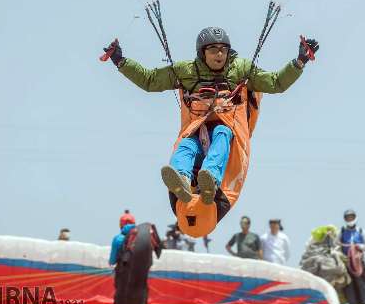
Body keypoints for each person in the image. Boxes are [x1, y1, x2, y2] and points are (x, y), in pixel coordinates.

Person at [103, 28, 319, 207]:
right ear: (202, 52)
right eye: (214, 50)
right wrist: (120, 60)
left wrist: (300, 61)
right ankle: (182, 179)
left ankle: (210, 180)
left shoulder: (241, 69)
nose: (219, 55)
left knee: (222, 133)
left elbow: (275, 83)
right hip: (196, 127)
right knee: (187, 144)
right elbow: (149, 80)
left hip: (227, 128)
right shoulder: (185, 70)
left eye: (223, 50)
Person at [110, 210, 163, 304]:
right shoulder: (142, 239)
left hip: (123, 285)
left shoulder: (118, 239)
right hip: (140, 286)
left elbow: (112, 260)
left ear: (120, 224)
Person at [336, 209, 365, 304]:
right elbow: (336, 243)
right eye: (348, 218)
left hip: (358, 262)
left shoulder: (360, 231)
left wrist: (360, 246)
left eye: (351, 217)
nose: (350, 219)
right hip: (345, 263)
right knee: (348, 285)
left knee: (362, 283)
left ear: (355, 218)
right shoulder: (342, 231)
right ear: (345, 219)